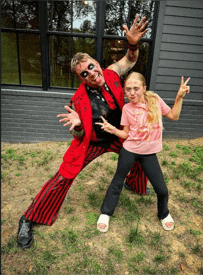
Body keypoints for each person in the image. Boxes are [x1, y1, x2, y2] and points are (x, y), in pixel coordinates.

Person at [17, 14, 151, 249]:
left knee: (140, 153)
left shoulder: (110, 72)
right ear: (81, 78)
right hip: (93, 143)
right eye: (84, 74)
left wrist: (132, 43)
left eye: (91, 66)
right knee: (63, 178)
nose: (91, 73)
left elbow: (130, 61)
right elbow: (77, 136)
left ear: (97, 63)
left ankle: (135, 184)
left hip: (117, 135)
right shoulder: (78, 100)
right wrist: (78, 125)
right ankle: (28, 218)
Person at [96, 72, 190, 232]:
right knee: (117, 181)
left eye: (136, 88)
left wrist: (179, 97)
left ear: (144, 88)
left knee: (161, 189)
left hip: (148, 153)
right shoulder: (127, 109)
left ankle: (164, 213)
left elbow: (174, 116)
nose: (132, 93)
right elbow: (126, 134)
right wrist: (112, 130)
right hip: (130, 150)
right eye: (128, 89)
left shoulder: (154, 101)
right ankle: (105, 213)